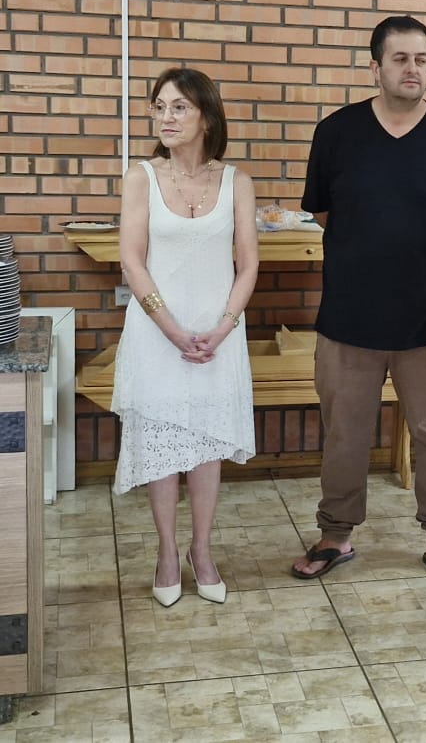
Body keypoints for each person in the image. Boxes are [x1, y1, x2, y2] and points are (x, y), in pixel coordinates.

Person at [291, 15, 426, 587]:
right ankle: (336, 534)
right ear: (375, 66)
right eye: (400, 58)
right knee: (344, 434)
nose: (412, 69)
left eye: (422, 59)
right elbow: (325, 213)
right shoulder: (337, 133)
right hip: (349, 317)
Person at [113, 66, 259, 607]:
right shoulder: (141, 178)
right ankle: (167, 553)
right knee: (160, 445)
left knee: (206, 444)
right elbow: (132, 261)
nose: (166, 117)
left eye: (179, 107)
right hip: (158, 334)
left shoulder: (236, 181)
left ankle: (201, 550)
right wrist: (173, 330)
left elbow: (248, 264)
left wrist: (223, 327)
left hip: (218, 336)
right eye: (159, 107)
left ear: (207, 117)